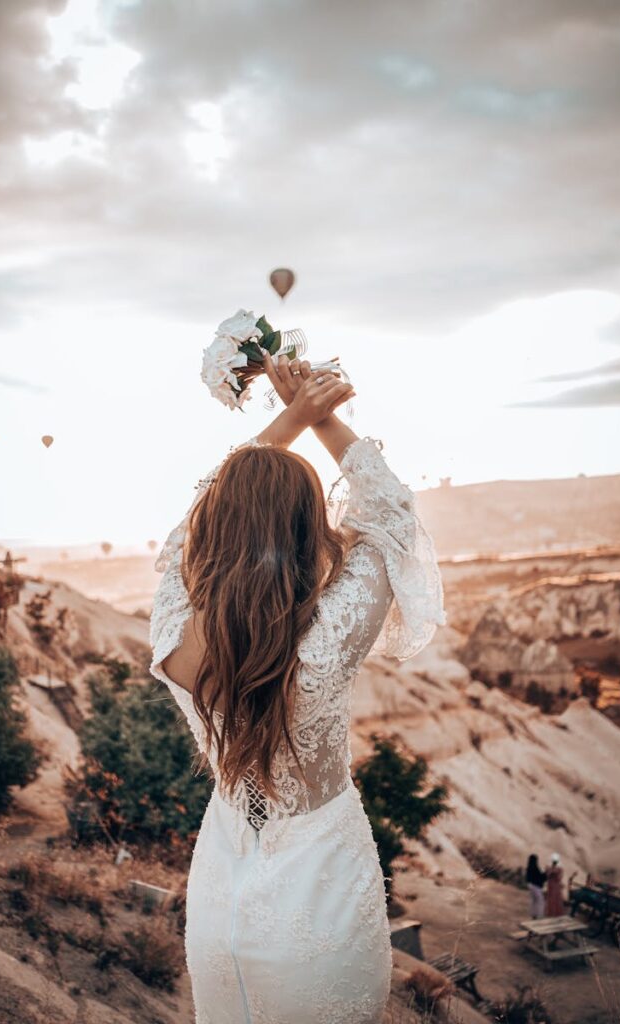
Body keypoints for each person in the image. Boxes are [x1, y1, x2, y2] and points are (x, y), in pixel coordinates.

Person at [149, 354, 446, 1024]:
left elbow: (191, 521)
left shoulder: (172, 627)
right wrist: (325, 419)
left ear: (216, 527)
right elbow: (391, 514)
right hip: (320, 894)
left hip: (221, 892)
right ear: (308, 528)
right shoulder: (324, 639)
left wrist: (286, 420)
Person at [525, 854, 546, 918]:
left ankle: (533, 914)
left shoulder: (529, 867)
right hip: (536, 886)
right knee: (540, 901)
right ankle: (538, 915)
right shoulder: (535, 868)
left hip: (530, 886)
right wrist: (545, 873)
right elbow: (539, 877)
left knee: (534, 901)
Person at [546, 852, 564, 917]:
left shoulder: (559, 869)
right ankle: (551, 913)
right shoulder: (549, 868)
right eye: (554, 861)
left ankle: (555, 913)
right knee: (552, 899)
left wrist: (554, 872)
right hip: (552, 885)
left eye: (555, 861)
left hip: (555, 885)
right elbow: (547, 875)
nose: (554, 862)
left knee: (555, 899)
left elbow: (559, 877)